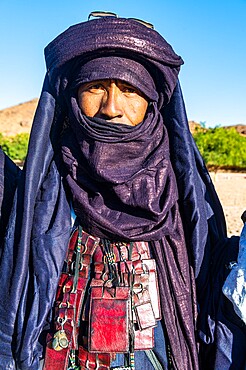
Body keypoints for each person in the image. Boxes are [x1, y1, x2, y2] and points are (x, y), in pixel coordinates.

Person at [0, 12, 245, 370]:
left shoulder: (185, 200)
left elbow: (213, 293)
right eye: (95, 87)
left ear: (152, 103)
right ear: (72, 97)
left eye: (130, 90)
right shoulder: (39, 196)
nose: (111, 108)